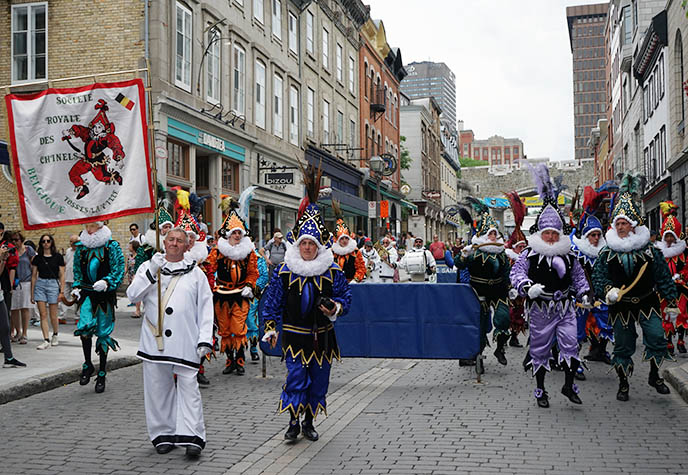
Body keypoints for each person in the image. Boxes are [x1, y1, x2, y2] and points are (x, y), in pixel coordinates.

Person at [261, 168, 351, 442]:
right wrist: (271, 327)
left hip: (323, 338)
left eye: (312, 244)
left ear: (318, 246)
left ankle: (309, 422)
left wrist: (334, 308)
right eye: (304, 244)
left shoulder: (332, 270)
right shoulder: (284, 272)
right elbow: (272, 303)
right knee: (297, 378)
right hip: (294, 337)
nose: (308, 248)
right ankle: (292, 422)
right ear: (297, 245)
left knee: (319, 382)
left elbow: (346, 300)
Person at [127, 227, 213, 458]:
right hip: (154, 341)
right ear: (164, 242)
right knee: (157, 389)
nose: (174, 243)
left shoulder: (196, 273)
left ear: (187, 246)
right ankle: (163, 434)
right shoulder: (149, 267)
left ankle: (193, 436)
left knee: (189, 389)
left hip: (186, 340)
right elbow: (133, 295)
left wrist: (205, 337)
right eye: (171, 239)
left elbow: (205, 307)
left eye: (179, 241)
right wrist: (152, 270)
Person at [592, 175, 678, 402]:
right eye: (618, 224)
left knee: (657, 337)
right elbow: (598, 277)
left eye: (624, 223)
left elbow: (663, 276)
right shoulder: (607, 253)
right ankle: (623, 383)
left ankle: (654, 375)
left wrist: (671, 301)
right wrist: (607, 290)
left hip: (648, 301)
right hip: (621, 305)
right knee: (623, 345)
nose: (621, 227)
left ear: (633, 226)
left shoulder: (650, 251)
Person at [510, 168, 591, 408]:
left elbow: (578, 277)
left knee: (570, 345)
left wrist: (584, 292)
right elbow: (516, 273)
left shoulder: (569, 255)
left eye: (554, 233)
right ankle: (540, 389)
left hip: (565, 307)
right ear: (540, 233)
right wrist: (527, 286)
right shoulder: (530, 254)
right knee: (540, 349)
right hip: (540, 308)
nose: (550, 238)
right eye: (546, 233)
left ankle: (568, 385)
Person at [456, 199, 511, 368]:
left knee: (503, 318)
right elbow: (459, 265)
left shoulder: (502, 254)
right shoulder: (475, 252)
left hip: (498, 290)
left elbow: (506, 272)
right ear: (484, 236)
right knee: (479, 324)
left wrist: (510, 288)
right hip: (478, 290)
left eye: (495, 234)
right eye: (490, 234)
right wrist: (463, 255)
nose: (493, 237)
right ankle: (477, 353)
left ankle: (500, 348)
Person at [204, 205, 258, 376]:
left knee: (238, 329)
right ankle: (229, 360)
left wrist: (249, 286)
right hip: (221, 295)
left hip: (241, 294)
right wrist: (209, 285)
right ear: (227, 235)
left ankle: (240, 360)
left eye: (239, 233)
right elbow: (208, 269)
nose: (236, 236)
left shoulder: (249, 254)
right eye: (234, 233)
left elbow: (253, 273)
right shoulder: (218, 252)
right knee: (225, 330)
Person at [72, 221, 125, 393]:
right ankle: (87, 364)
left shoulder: (111, 246)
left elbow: (118, 269)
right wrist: (77, 287)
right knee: (85, 328)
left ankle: (101, 373)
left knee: (103, 333)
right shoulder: (81, 247)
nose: (89, 230)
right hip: (87, 294)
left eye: (92, 226)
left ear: (101, 226)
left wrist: (107, 282)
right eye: (86, 226)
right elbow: (77, 270)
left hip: (104, 296)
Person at [569, 192, 611, 379]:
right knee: (577, 332)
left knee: (605, 326)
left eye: (597, 235)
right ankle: (575, 362)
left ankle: (599, 351)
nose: (595, 238)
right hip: (581, 298)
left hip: (600, 296)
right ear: (586, 237)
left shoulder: (606, 253)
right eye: (592, 235)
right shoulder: (577, 254)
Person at [654, 201, 688, 355]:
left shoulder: (683, 252)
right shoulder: (658, 252)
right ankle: (668, 342)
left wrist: (680, 276)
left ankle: (680, 339)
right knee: (666, 314)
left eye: (671, 236)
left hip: (680, 287)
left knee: (681, 313)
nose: (668, 239)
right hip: (663, 289)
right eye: (666, 235)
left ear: (675, 237)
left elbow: (687, 267)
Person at [31, 234, 66, 349]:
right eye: (43, 241)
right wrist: (32, 293)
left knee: (53, 314)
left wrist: (61, 291)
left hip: (53, 284)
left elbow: (62, 275)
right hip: (40, 284)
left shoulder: (58, 257)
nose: (46, 243)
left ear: (52, 242)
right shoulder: (38, 258)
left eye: (48, 241)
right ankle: (46, 339)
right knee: (43, 314)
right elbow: (34, 276)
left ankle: (55, 334)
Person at [504, 191, 528, 348]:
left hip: (522, 292)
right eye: (519, 247)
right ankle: (504, 336)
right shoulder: (509, 258)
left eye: (523, 247)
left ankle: (514, 336)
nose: (522, 249)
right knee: (508, 314)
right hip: (509, 291)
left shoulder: (526, 259)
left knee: (519, 314)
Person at [1, 227, 25, 368]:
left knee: (5, 326)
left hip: (0, 292)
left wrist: (3, 259)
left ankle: (8, 358)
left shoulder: (7, 247)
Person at [10, 232, 35, 345]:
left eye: (17, 240)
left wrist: (35, 281)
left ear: (21, 240)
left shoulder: (28, 250)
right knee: (14, 308)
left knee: (25, 308)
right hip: (15, 282)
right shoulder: (11, 251)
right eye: (13, 240)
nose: (15, 242)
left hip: (26, 281)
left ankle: (25, 333)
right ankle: (17, 331)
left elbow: (34, 266)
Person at [331, 206, 366, 283]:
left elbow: (361, 268)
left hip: (351, 285)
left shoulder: (356, 252)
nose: (344, 241)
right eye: (342, 239)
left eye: (346, 238)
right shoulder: (332, 253)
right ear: (338, 241)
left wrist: (355, 280)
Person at [60, 235, 79, 324]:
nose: (72, 244)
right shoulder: (68, 251)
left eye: (74, 242)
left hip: (77, 279)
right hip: (67, 277)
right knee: (64, 297)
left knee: (77, 298)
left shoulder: (81, 251)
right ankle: (62, 315)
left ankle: (77, 316)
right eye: (71, 242)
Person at [125, 240, 142, 318]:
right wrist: (123, 275)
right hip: (130, 276)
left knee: (137, 293)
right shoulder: (129, 256)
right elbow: (126, 267)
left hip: (137, 276)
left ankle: (138, 310)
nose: (128, 247)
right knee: (134, 293)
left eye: (130, 245)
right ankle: (137, 309)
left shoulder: (139, 256)